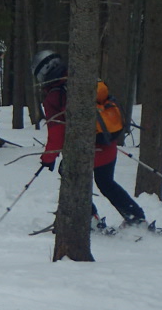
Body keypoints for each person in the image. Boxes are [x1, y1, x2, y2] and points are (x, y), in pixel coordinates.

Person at [32, 49, 145, 229]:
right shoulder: (81, 77)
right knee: (106, 183)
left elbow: (57, 133)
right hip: (107, 142)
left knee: (70, 174)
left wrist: (48, 158)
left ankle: (88, 218)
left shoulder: (54, 94)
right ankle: (136, 217)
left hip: (88, 149)